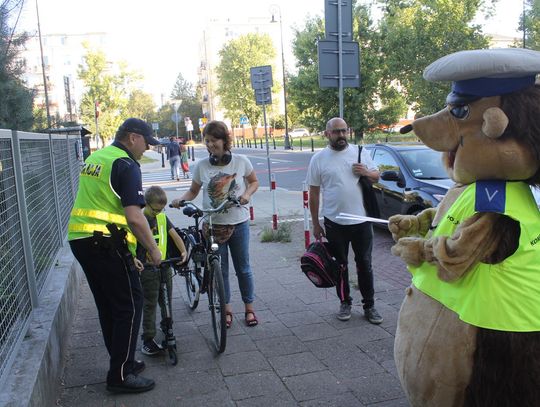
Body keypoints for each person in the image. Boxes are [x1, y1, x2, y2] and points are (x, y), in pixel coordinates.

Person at [68, 118, 162, 393]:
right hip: (103, 242)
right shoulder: (125, 164)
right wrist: (153, 249)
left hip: (83, 240)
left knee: (109, 306)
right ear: (132, 137)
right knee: (129, 304)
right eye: (146, 142)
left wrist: (127, 253)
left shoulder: (98, 157)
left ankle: (122, 363)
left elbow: (102, 204)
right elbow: (134, 217)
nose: (146, 149)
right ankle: (120, 375)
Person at [171, 120, 259, 328]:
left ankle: (249, 308)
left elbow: (253, 182)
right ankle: (226, 310)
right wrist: (180, 200)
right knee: (222, 270)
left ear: (225, 140)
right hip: (212, 225)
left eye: (214, 141)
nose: (210, 145)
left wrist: (246, 194)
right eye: (207, 141)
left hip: (239, 223)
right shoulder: (202, 166)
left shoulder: (241, 161)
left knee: (243, 268)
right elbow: (193, 191)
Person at [306, 117, 383, 324]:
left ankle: (369, 305)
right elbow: (313, 194)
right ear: (327, 134)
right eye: (336, 132)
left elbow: (377, 176)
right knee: (340, 265)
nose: (341, 135)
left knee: (365, 264)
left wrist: (365, 172)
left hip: (361, 221)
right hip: (334, 222)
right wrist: (315, 224)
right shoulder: (319, 159)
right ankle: (345, 302)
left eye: (343, 131)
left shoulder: (359, 152)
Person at [137, 186, 187, 356]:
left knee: (166, 300)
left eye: (161, 209)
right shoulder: (139, 219)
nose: (158, 213)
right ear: (146, 204)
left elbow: (174, 235)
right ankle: (148, 339)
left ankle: (167, 326)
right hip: (147, 270)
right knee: (149, 303)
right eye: (155, 209)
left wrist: (183, 251)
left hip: (164, 266)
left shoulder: (162, 218)